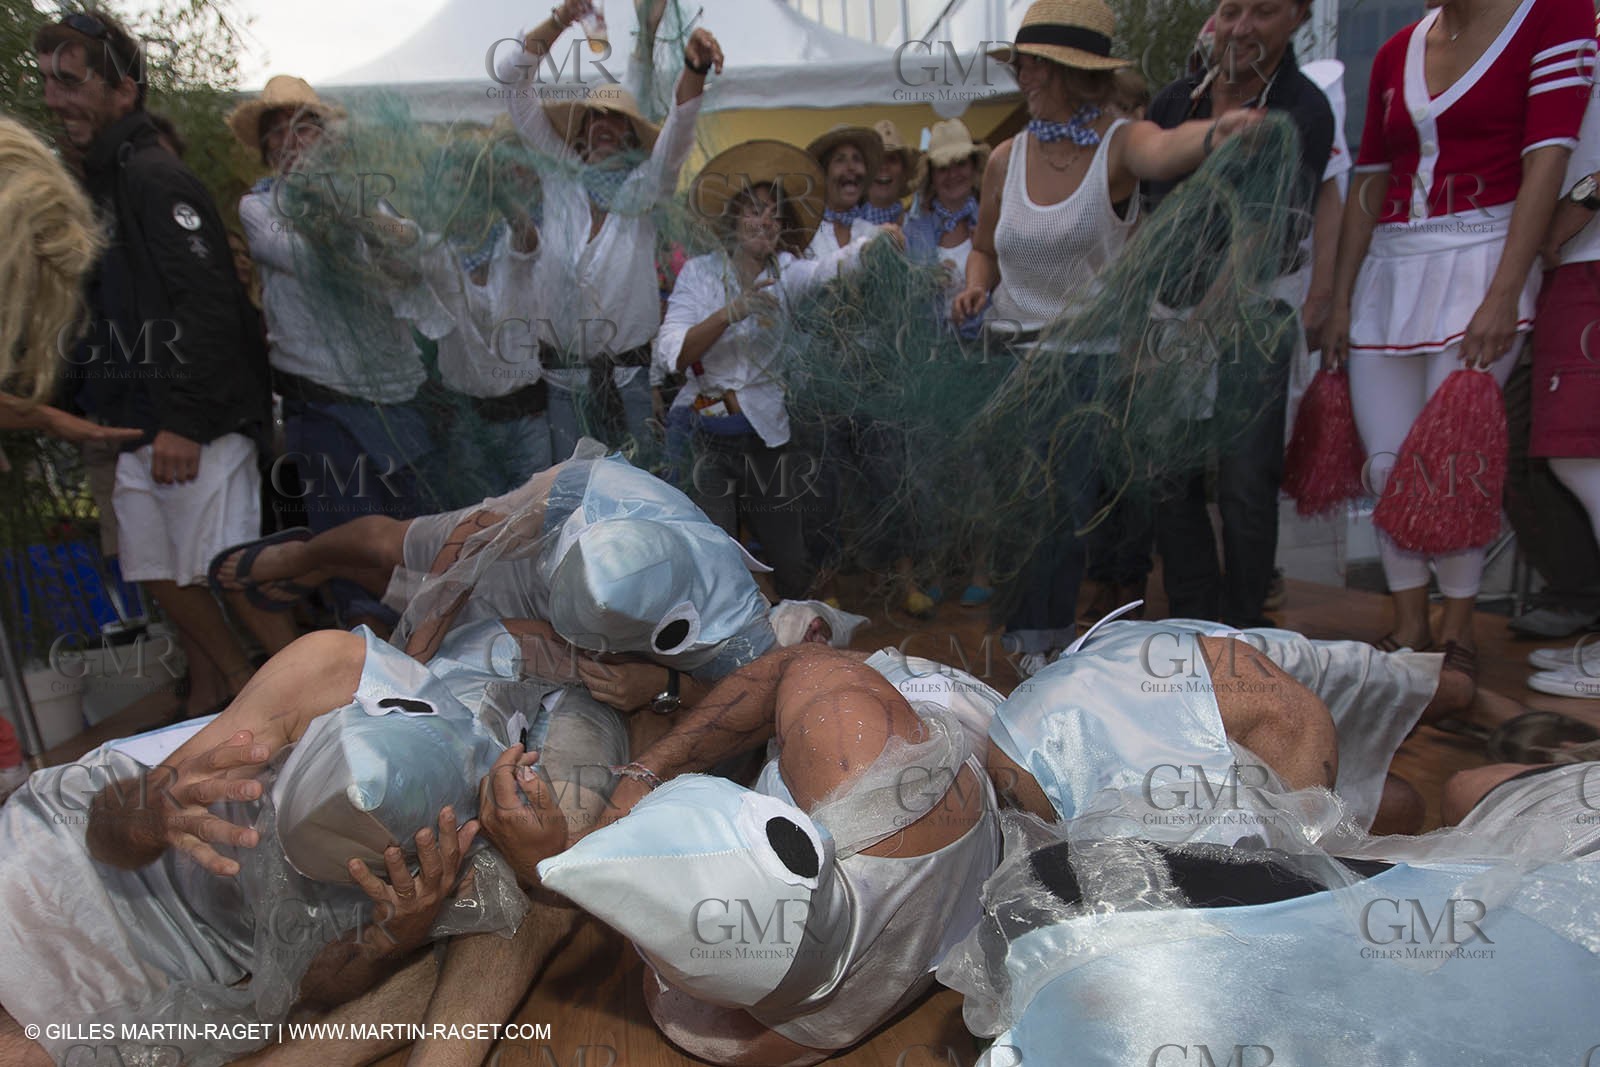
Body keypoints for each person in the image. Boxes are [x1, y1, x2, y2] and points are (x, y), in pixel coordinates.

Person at [948, 0, 1260, 672]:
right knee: (1014, 508)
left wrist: (1217, 133)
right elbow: (983, 248)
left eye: (1031, 64)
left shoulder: (1119, 144)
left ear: (1065, 72)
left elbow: (1165, 148)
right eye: (1020, 63)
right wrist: (974, 286)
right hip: (1005, 360)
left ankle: (1047, 641)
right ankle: (1026, 637)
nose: (1021, 75)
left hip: (1081, 368)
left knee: (1056, 507)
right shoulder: (1005, 156)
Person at [507, 643, 1001, 1066]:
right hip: (953, 700)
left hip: (938, 735)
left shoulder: (746, 1029)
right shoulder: (850, 743)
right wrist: (641, 784)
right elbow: (799, 663)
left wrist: (559, 851)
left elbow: (681, 968)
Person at [1324, 0, 1596, 668]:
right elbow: (1371, 177)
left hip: (1484, 255)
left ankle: (1457, 629)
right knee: (1386, 461)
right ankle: (1409, 623)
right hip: (1390, 268)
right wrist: (1338, 295)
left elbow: (1549, 160)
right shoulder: (1396, 49)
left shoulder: (1555, 15)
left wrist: (1507, 289)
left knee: (1450, 462)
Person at [34, 12, 281, 718]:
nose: (56, 99)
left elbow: (208, 306)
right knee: (158, 574)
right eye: (47, 82)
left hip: (194, 427)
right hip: (133, 429)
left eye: (73, 81)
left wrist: (183, 420)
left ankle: (317, 709)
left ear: (125, 89)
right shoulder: (98, 184)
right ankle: (244, 697)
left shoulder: (154, 177)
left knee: (230, 573)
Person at [210, 449, 779, 707]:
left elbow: (756, 694)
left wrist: (662, 686)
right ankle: (307, 556)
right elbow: (471, 543)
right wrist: (412, 664)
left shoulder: (737, 621)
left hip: (572, 603)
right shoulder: (586, 495)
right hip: (520, 537)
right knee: (399, 545)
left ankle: (337, 572)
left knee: (472, 623)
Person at [1141, 0, 1337, 630]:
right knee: (1168, 478)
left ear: (1298, 18)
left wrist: (1207, 323)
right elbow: (1148, 218)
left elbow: (1264, 233)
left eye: (1263, 11)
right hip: (1168, 316)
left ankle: (1247, 631)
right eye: (1231, 11)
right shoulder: (1174, 104)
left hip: (1253, 316)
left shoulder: (1304, 110)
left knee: (1246, 482)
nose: (1242, 27)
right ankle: (1195, 620)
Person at [231, 74, 437, 631]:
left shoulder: (368, 195)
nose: (289, 141)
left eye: (304, 128)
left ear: (326, 138)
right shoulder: (260, 207)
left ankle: (430, 662)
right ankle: (367, 674)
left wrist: (358, 208)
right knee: (351, 550)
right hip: (323, 407)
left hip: (396, 406)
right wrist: (353, 217)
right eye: (277, 133)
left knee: (412, 544)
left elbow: (413, 253)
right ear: (267, 148)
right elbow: (311, 259)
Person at [658, 140, 894, 601]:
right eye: (753, 210)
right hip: (704, 437)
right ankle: (722, 654)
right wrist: (733, 311)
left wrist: (874, 243)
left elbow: (831, 268)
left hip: (766, 438)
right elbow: (674, 352)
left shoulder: (788, 270)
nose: (764, 221)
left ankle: (795, 646)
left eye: (774, 215)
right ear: (732, 219)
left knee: (790, 560)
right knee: (715, 555)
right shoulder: (701, 275)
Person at [497, 0, 724, 466]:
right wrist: (561, 20)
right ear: (580, 130)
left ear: (629, 139)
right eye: (596, 116)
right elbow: (512, 82)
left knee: (638, 503)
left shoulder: (647, 187)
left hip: (630, 383)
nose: (605, 125)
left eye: (617, 120)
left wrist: (694, 69)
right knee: (571, 504)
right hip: (563, 383)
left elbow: (678, 134)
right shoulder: (558, 176)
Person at [1523, 77, 1600, 695]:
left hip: (1589, 258)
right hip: (1578, 263)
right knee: (1575, 455)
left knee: (1581, 456)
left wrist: (1583, 198)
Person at [805, 124, 885, 257]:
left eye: (857, 159)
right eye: (840, 160)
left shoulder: (873, 235)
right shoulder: (806, 234)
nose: (851, 167)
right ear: (823, 175)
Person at [864, 118, 919, 224]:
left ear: (904, 172)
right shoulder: (844, 226)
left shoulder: (919, 226)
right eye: (877, 159)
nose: (884, 166)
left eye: (892, 159)